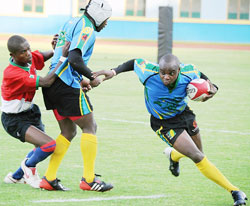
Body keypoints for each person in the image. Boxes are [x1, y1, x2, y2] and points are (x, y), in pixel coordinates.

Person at [92, 54, 248, 206]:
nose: (166, 77)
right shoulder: (149, 73)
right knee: (197, 156)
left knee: (199, 152)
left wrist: (212, 88)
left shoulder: (189, 72)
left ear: (179, 71)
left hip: (184, 114)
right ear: (158, 70)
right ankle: (234, 191)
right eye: (163, 73)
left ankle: (173, 155)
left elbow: (202, 77)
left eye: (171, 73)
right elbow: (134, 63)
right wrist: (113, 72)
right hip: (163, 123)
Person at [39, 0, 113, 192]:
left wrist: (82, 79)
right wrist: (91, 77)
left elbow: (62, 53)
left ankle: (49, 178)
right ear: (98, 16)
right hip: (65, 84)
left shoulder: (71, 21)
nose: (106, 24)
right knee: (90, 126)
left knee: (68, 132)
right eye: (106, 19)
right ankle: (88, 180)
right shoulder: (87, 29)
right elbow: (74, 58)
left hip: (52, 82)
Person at [1, 34, 69, 188]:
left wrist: (55, 50)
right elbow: (46, 81)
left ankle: (16, 177)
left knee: (41, 146)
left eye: (28, 49)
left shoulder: (28, 59)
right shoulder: (12, 73)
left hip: (30, 113)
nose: (28, 53)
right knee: (49, 145)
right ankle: (28, 168)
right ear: (13, 55)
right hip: (13, 120)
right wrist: (62, 59)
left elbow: (44, 55)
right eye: (23, 52)